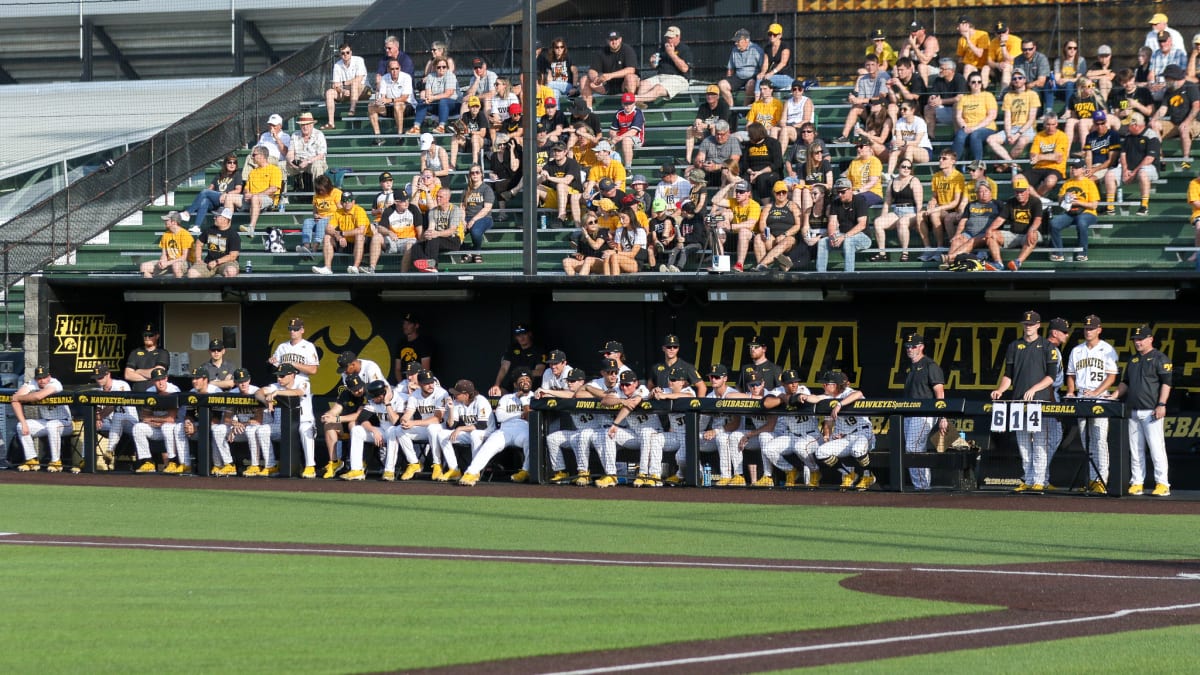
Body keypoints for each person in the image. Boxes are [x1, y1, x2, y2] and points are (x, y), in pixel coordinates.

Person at [990, 310, 1060, 493]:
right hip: (1018, 401)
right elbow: (1008, 375)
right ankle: (1028, 479)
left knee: (1039, 442)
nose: (1028, 327)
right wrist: (1000, 390)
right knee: (1022, 442)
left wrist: (1034, 389)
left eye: (1031, 324)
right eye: (1025, 324)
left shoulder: (1047, 347)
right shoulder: (1014, 346)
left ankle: (1039, 479)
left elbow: (1051, 377)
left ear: (1038, 325)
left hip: (1039, 402)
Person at [1111, 324, 1173, 496]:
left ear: (1150, 339)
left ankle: (1162, 484)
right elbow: (1126, 383)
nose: (1137, 342)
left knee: (1156, 448)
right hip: (1133, 410)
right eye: (1135, 340)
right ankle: (1137, 482)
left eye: (1141, 339)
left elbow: (1167, 383)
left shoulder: (1160, 358)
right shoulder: (1133, 360)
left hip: (1151, 411)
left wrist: (1161, 404)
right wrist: (1114, 395)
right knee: (1135, 449)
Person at [1064, 314, 1118, 494]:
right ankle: (1091, 480)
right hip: (1081, 396)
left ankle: (1101, 480)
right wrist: (1071, 391)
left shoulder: (1107, 349)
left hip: (1100, 397)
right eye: (1086, 328)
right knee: (1086, 441)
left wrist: (1096, 392)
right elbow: (1070, 374)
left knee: (1099, 440)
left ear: (1099, 330)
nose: (1088, 331)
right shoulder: (1077, 350)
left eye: (1092, 328)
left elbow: (1112, 376)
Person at [459, 367, 535, 486]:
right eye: (522, 379)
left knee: (531, 439)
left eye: (527, 379)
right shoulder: (506, 398)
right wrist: (521, 414)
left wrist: (524, 401)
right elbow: (500, 416)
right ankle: (471, 472)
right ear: (515, 384)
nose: (525, 381)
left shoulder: (536, 397)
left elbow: (530, 417)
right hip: (505, 430)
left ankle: (526, 471)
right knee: (490, 444)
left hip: (524, 429)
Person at [811, 370, 874, 490]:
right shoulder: (829, 398)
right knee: (821, 452)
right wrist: (827, 435)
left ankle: (868, 475)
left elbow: (859, 394)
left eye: (826, 384)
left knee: (858, 450)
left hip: (863, 433)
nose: (823, 386)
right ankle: (848, 474)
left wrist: (839, 405)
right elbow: (828, 422)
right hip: (845, 437)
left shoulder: (847, 393)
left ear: (835, 385)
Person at [257, 362, 318, 478]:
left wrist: (277, 393)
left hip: (303, 422)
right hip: (281, 425)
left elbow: (298, 392)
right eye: (278, 375)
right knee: (262, 430)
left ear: (292, 375)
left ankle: (310, 466)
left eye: (282, 376)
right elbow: (258, 392)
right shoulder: (276, 385)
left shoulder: (303, 382)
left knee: (305, 430)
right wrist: (266, 401)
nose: (279, 378)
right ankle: (271, 465)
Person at [389, 369, 449, 481]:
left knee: (432, 428)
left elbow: (437, 419)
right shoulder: (415, 395)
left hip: (441, 428)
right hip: (424, 428)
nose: (430, 385)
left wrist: (413, 423)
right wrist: (404, 421)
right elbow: (408, 413)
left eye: (431, 382)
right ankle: (414, 463)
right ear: (420, 384)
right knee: (399, 430)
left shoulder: (441, 393)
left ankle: (437, 465)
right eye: (427, 383)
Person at [10, 365, 72, 472]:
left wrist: (18, 397)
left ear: (49, 377)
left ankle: (56, 462)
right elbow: (14, 401)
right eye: (39, 378)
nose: (42, 381)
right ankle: (32, 460)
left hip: (65, 422)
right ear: (36, 378)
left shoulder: (55, 383)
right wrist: (23, 422)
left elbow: (38, 396)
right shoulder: (33, 383)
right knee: (20, 426)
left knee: (52, 425)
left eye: (44, 377)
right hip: (45, 422)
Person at [431, 379, 490, 482]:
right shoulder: (457, 403)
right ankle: (454, 470)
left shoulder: (481, 401)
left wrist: (460, 428)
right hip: (470, 432)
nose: (455, 395)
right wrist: (451, 410)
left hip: (487, 433)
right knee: (442, 435)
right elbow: (451, 426)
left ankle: (475, 471)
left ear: (466, 395)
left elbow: (482, 425)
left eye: (457, 393)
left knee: (475, 435)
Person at [131, 367, 188, 475]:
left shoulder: (173, 390)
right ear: (153, 381)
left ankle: (172, 462)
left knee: (167, 427)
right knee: (137, 428)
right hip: (157, 428)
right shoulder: (149, 392)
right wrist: (156, 421)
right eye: (157, 380)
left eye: (162, 379)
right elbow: (144, 417)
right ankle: (147, 462)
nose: (160, 382)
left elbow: (171, 418)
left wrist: (153, 419)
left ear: (166, 378)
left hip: (175, 429)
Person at [1105, 112, 1159, 217]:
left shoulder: (1151, 136)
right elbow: (1123, 154)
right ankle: (1110, 206)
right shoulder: (1128, 136)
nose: (1127, 127)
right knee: (1110, 174)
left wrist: (1134, 172)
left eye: (1128, 125)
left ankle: (1144, 206)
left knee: (1143, 172)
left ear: (1135, 125)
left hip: (1149, 169)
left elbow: (1149, 158)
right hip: (1129, 169)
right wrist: (1125, 169)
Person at [224, 369, 275, 477]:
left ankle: (261, 465)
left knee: (253, 430)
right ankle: (228, 464)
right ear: (236, 382)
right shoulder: (232, 394)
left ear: (249, 380)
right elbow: (226, 418)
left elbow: (258, 420)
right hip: (243, 426)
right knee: (219, 430)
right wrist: (234, 424)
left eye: (245, 380)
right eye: (240, 381)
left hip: (263, 425)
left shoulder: (256, 391)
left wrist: (240, 425)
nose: (243, 384)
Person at [987, 70, 1040, 171]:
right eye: (1014, 78)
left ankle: (1005, 164)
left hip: (1027, 129)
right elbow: (1007, 118)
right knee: (991, 139)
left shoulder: (1032, 94)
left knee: (1021, 141)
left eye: (1020, 78)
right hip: (1012, 128)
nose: (1017, 80)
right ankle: (1012, 164)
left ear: (1025, 80)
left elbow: (1031, 119)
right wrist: (1008, 134)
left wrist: (1018, 134)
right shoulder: (1008, 96)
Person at [1049, 159, 1101, 262]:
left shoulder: (1089, 183)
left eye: (1076, 167)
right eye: (1072, 167)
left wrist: (1078, 203)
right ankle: (1058, 253)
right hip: (1070, 212)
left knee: (1081, 222)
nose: (1073, 170)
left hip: (1087, 212)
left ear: (1083, 169)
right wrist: (1065, 197)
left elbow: (1094, 205)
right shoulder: (1067, 183)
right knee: (1054, 223)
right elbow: (1060, 202)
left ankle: (1083, 253)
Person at [988, 174, 1043, 271]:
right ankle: (998, 263)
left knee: (1033, 234)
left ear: (1027, 191)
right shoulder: (1011, 202)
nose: (1019, 194)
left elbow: (1038, 219)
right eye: (1017, 192)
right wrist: (990, 229)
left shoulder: (1036, 201)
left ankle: (1018, 262)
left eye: (1022, 191)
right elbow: (1000, 219)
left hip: (1028, 234)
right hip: (1013, 234)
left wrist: (1032, 229)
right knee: (991, 234)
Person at [87, 364, 137, 471]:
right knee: (90, 424)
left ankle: (109, 450)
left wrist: (99, 417)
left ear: (108, 374)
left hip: (130, 423)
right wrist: (95, 419)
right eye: (96, 378)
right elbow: (98, 409)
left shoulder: (121, 385)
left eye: (101, 377)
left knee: (118, 416)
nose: (99, 380)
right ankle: (86, 458)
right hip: (111, 426)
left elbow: (113, 405)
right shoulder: (99, 390)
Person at [942, 180, 1002, 268]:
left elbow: (1001, 220)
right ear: (977, 193)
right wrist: (957, 234)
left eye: (986, 191)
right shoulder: (971, 205)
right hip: (969, 233)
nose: (983, 193)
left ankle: (950, 258)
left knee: (972, 241)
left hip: (985, 234)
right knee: (956, 240)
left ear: (990, 192)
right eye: (980, 191)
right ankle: (949, 264)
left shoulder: (997, 204)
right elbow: (963, 221)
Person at [917, 150, 966, 258]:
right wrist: (932, 202)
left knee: (934, 214)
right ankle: (928, 248)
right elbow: (935, 196)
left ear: (953, 161)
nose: (940, 160)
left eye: (944, 159)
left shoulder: (958, 177)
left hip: (953, 209)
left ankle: (940, 247)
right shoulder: (936, 176)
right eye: (940, 158)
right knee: (919, 215)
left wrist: (935, 209)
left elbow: (955, 202)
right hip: (940, 208)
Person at [872, 158, 922, 262]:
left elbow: (919, 204)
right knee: (878, 222)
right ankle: (882, 253)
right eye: (904, 166)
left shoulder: (914, 181)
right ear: (898, 167)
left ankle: (905, 252)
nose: (906, 169)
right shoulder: (892, 181)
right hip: (896, 211)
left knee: (902, 222)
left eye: (909, 167)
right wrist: (883, 216)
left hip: (910, 212)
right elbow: (887, 202)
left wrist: (919, 220)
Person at [817, 177, 871, 272]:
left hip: (863, 236)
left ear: (850, 190)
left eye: (842, 192)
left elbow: (862, 225)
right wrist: (832, 236)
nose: (840, 194)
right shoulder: (835, 203)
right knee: (823, 242)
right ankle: (821, 276)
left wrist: (844, 237)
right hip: (843, 235)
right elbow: (832, 222)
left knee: (848, 241)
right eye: (838, 192)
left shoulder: (860, 201)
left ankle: (848, 276)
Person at [1151, 64, 1200, 169]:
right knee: (1154, 125)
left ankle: (1186, 160)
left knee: (1184, 128)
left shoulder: (1191, 87)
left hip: (1193, 122)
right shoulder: (1169, 91)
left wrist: (1187, 122)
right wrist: (1153, 119)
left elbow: (1196, 107)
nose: (1165, 80)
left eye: (1166, 78)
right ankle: (1160, 159)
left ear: (1173, 78)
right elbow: (1163, 109)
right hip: (1174, 123)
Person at [319, 374, 366, 479]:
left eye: (359, 388)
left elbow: (358, 416)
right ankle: (334, 462)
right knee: (329, 425)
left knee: (352, 423)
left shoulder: (367, 393)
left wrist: (336, 419)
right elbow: (335, 410)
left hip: (366, 426)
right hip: (346, 425)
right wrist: (328, 415)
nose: (358, 391)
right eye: (355, 390)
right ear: (349, 389)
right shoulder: (345, 393)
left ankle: (356, 463)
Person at [311, 192, 369, 275]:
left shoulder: (359, 211)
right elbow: (328, 228)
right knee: (327, 237)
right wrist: (338, 236)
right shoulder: (338, 212)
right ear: (341, 203)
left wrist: (342, 234)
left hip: (362, 244)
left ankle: (355, 267)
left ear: (353, 202)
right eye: (344, 201)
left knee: (359, 236)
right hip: (344, 244)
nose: (347, 203)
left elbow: (361, 230)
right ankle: (327, 268)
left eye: (349, 200)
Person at [408, 187, 464, 273]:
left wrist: (436, 234)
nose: (438, 198)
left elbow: (451, 230)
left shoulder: (455, 210)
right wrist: (428, 233)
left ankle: (433, 266)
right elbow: (431, 227)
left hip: (454, 239)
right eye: (437, 196)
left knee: (434, 238)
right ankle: (424, 267)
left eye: (440, 197)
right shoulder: (433, 211)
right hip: (438, 240)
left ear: (448, 198)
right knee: (416, 246)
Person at [710, 180, 761, 272]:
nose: (738, 194)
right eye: (737, 191)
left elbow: (750, 224)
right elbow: (714, 200)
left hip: (750, 238)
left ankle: (739, 264)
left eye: (741, 192)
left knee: (743, 231)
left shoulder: (754, 205)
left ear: (748, 193)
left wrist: (732, 226)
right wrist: (729, 185)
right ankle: (719, 265)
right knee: (717, 231)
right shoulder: (733, 202)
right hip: (735, 236)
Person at [580, 30, 639, 109]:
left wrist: (610, 75)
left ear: (620, 39)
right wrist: (595, 78)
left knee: (630, 77)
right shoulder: (601, 52)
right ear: (607, 41)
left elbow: (631, 70)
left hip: (624, 85)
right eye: (611, 40)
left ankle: (631, 109)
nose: (614, 42)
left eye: (616, 39)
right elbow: (592, 70)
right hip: (607, 86)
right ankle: (588, 112)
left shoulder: (627, 50)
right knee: (584, 79)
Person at [838, 55, 891, 143]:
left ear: (878, 65)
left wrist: (861, 100)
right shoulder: (863, 80)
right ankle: (844, 136)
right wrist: (854, 99)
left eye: (873, 64)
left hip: (882, 111)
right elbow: (861, 99)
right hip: (870, 111)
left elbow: (882, 97)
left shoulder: (884, 76)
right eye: (868, 65)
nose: (870, 67)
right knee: (855, 107)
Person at [635, 25, 693, 104]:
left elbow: (684, 69)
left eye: (671, 38)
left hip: (678, 78)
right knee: (643, 84)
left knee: (657, 88)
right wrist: (652, 62)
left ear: (678, 37)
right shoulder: (662, 48)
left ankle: (634, 99)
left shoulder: (684, 49)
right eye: (667, 37)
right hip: (660, 76)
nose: (668, 40)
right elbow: (656, 66)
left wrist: (672, 54)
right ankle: (639, 107)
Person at [181, 154, 243, 228]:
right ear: (225, 163)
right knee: (205, 200)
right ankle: (197, 226)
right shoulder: (220, 174)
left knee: (205, 192)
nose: (232, 164)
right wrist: (210, 194)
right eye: (230, 162)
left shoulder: (237, 175)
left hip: (227, 200)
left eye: (234, 162)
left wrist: (226, 194)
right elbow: (211, 188)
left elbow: (238, 190)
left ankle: (187, 213)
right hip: (216, 200)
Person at [754, 180, 802, 271]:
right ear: (774, 193)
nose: (781, 194)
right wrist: (765, 232)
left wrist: (784, 234)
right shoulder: (768, 206)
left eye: (783, 192)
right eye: (778, 192)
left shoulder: (792, 205)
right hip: (771, 238)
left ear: (787, 193)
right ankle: (775, 264)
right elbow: (762, 223)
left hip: (788, 239)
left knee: (788, 240)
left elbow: (798, 225)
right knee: (758, 238)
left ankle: (762, 264)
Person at [489, 323, 546, 396]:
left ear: (530, 334)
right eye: (518, 335)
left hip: (531, 386)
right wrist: (496, 385)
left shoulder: (538, 349)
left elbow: (540, 371)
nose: (521, 337)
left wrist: (521, 375)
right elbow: (504, 368)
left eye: (524, 334)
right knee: (495, 393)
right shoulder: (512, 348)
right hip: (514, 384)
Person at [951, 73, 998, 162]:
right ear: (969, 83)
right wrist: (964, 126)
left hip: (986, 128)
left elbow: (992, 115)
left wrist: (974, 128)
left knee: (975, 135)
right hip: (968, 127)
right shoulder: (964, 98)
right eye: (973, 82)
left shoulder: (988, 95)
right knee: (960, 135)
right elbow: (958, 116)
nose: (976, 84)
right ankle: (952, 163)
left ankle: (978, 164)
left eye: (979, 82)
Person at [685, 85, 737, 164]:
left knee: (715, 128)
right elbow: (698, 119)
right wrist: (697, 125)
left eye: (712, 94)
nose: (710, 96)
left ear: (717, 96)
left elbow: (722, 124)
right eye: (708, 94)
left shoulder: (723, 106)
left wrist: (707, 125)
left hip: (723, 134)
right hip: (708, 134)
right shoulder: (703, 106)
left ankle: (714, 158)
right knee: (689, 129)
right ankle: (687, 160)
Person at [368, 59, 413, 145]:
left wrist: (390, 100)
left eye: (396, 68)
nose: (394, 71)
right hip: (391, 107)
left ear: (400, 68)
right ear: (388, 70)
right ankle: (378, 137)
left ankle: (400, 136)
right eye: (392, 69)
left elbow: (405, 97)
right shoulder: (385, 78)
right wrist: (378, 102)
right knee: (371, 106)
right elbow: (383, 96)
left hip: (407, 107)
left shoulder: (406, 77)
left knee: (397, 104)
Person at [187, 207, 240, 278]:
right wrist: (198, 259)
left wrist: (217, 262)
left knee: (231, 271)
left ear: (225, 219)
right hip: (209, 263)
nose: (214, 218)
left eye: (217, 216)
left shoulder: (233, 235)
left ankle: (228, 289)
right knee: (192, 273)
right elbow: (199, 243)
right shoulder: (210, 230)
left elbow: (233, 256)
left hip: (227, 263)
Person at [324, 43, 367, 129]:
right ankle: (331, 122)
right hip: (346, 92)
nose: (345, 55)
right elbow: (335, 85)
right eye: (343, 53)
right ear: (340, 54)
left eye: (347, 52)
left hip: (362, 90)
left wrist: (342, 83)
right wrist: (342, 90)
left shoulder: (359, 60)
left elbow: (359, 79)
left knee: (354, 83)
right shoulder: (337, 65)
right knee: (329, 92)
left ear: (351, 52)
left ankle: (352, 109)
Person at [719, 28, 765, 108]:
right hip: (738, 77)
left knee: (751, 84)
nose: (736, 43)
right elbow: (730, 68)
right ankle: (731, 108)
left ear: (746, 41)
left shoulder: (757, 50)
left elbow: (763, 68)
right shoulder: (734, 50)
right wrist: (729, 79)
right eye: (735, 41)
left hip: (752, 76)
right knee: (722, 84)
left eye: (738, 41)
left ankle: (744, 108)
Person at [241, 145, 283, 234]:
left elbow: (273, 188)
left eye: (254, 155)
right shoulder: (253, 172)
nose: (252, 157)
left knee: (255, 198)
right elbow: (246, 188)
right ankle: (225, 228)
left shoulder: (274, 170)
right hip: (251, 198)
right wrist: (246, 193)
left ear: (262, 156)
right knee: (230, 197)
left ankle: (251, 228)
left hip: (268, 199)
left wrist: (254, 195)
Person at [409, 58, 457, 134]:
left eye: (444, 67)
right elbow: (428, 93)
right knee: (422, 101)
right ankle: (416, 127)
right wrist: (428, 99)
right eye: (439, 67)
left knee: (443, 101)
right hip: (436, 104)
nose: (441, 69)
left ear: (447, 67)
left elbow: (448, 93)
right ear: (435, 67)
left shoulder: (450, 76)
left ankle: (441, 127)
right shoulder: (430, 76)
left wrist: (433, 97)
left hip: (452, 104)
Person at [1027, 112, 1069, 197]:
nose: (1051, 127)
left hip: (1056, 168)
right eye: (1048, 124)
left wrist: (1039, 157)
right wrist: (1050, 157)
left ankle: (1035, 199)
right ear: (1044, 124)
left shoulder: (1062, 136)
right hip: (1039, 168)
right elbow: (1032, 154)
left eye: (1053, 124)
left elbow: (1057, 156)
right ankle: (1039, 199)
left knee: (1050, 181)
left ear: (1057, 124)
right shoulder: (1039, 136)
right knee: (1017, 179)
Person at [141, 211, 193, 278]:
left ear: (174, 222)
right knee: (144, 266)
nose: (164, 221)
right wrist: (162, 261)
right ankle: (153, 288)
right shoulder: (166, 235)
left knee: (176, 266)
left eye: (167, 220)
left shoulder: (185, 234)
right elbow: (164, 254)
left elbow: (184, 257)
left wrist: (168, 263)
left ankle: (180, 287)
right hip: (169, 262)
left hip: (184, 263)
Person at [924, 58, 968, 138]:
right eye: (940, 68)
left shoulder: (959, 78)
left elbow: (959, 98)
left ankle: (957, 137)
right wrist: (932, 100)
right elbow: (933, 95)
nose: (940, 70)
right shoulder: (938, 80)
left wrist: (941, 101)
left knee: (957, 105)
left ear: (951, 70)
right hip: (945, 111)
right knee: (928, 108)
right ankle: (930, 138)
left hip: (960, 113)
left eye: (942, 69)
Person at [286, 112, 328, 195]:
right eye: (302, 125)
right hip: (298, 163)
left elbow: (321, 155)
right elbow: (290, 152)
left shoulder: (319, 135)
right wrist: (291, 161)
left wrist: (308, 161)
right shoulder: (295, 135)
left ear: (312, 125)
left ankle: (318, 197)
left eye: (307, 124)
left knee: (317, 166)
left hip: (313, 162)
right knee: (280, 166)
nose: (305, 127)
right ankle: (280, 199)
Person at [887, 100, 932, 177]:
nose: (902, 111)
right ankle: (888, 175)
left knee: (910, 148)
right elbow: (899, 140)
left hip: (923, 151)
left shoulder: (920, 122)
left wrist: (903, 143)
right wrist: (895, 144)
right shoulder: (900, 122)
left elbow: (917, 142)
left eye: (905, 109)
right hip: (907, 149)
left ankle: (906, 175)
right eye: (901, 109)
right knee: (895, 152)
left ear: (912, 110)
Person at [460, 164, 494, 260]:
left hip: (484, 218)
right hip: (467, 217)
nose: (474, 174)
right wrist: (463, 220)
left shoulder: (487, 189)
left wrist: (473, 220)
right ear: (469, 175)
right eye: (472, 173)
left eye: (477, 172)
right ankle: (466, 250)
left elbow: (487, 208)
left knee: (475, 231)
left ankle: (477, 251)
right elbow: (462, 207)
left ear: (481, 174)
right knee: (455, 232)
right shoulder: (466, 190)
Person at [742, 121, 783, 200]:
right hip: (752, 171)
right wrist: (751, 172)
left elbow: (778, 163)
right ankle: (749, 205)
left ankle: (766, 206)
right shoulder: (748, 145)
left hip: (769, 172)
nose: (749, 136)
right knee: (743, 180)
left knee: (762, 179)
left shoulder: (773, 143)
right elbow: (744, 163)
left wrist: (760, 172)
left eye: (750, 135)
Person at [694, 120, 741, 188]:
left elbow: (734, 162)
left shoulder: (734, 141)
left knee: (726, 172)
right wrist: (701, 163)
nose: (719, 137)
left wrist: (717, 166)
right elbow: (699, 157)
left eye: (722, 134)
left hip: (724, 170)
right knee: (689, 170)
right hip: (708, 171)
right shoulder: (707, 140)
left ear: (728, 133)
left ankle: (722, 196)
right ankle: (693, 196)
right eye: (717, 134)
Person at [1108, 68, 1157, 132]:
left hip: (1140, 125)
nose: (1128, 84)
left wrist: (1137, 105)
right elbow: (1116, 116)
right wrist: (1121, 114)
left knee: (1136, 117)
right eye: (1124, 82)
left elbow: (1151, 113)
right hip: (1124, 126)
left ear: (1133, 78)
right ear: (1120, 83)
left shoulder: (1144, 92)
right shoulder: (1118, 95)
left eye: (1130, 80)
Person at [1064, 78, 1103, 152]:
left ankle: (1085, 152)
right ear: (1081, 88)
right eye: (1089, 86)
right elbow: (1073, 115)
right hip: (1080, 122)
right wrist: (1076, 131)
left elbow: (1104, 113)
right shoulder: (1074, 97)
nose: (1092, 88)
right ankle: (1065, 153)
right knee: (1070, 121)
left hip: (1094, 122)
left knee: (1083, 122)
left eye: (1093, 85)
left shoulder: (1096, 96)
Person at [777, 81, 815, 158]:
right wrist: (784, 124)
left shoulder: (807, 101)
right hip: (789, 126)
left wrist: (793, 125)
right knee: (773, 130)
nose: (797, 91)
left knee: (785, 129)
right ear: (792, 91)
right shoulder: (788, 102)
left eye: (799, 89)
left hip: (802, 129)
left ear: (802, 90)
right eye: (794, 89)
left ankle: (778, 158)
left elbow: (806, 120)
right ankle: (771, 156)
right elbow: (782, 120)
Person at [1013, 40, 1053, 112]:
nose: (1027, 51)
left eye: (1030, 49)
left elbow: (1041, 82)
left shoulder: (1042, 58)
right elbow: (1017, 77)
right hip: (1023, 87)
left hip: (1038, 87)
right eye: (1024, 49)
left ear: (1034, 48)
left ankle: (1047, 111)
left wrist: (1026, 86)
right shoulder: (1017, 60)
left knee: (1047, 84)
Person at [604, 208, 647, 276]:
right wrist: (613, 248)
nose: (621, 221)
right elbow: (619, 249)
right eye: (620, 218)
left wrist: (616, 252)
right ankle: (607, 282)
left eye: (623, 218)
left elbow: (632, 254)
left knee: (615, 257)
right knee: (607, 255)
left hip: (635, 262)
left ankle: (614, 282)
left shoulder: (640, 232)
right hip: (623, 258)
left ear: (630, 217)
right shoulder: (619, 230)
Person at [609, 92, 646, 169]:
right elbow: (612, 131)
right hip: (620, 138)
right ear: (622, 104)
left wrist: (618, 138)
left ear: (634, 103)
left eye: (630, 103)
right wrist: (614, 137)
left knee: (626, 140)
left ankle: (628, 169)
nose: (627, 106)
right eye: (625, 104)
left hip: (636, 139)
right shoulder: (619, 113)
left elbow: (633, 131)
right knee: (604, 143)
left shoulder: (638, 112)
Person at [1149, 31, 1187, 101]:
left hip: (1173, 84)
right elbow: (1151, 73)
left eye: (1164, 41)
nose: (1162, 44)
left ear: (1170, 40)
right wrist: (1152, 84)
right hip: (1158, 85)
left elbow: (1183, 74)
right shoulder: (1155, 54)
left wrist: (1166, 84)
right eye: (1160, 42)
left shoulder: (1179, 53)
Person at [899, 20, 940, 85]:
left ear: (923, 31)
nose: (912, 33)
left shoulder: (930, 40)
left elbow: (925, 61)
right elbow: (901, 61)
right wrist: (907, 50)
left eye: (915, 31)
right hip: (915, 69)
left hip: (932, 69)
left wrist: (914, 46)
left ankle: (924, 92)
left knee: (921, 66)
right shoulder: (908, 41)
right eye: (911, 30)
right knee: (898, 68)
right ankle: (899, 92)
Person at [846, 139, 884, 207]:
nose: (858, 149)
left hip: (873, 192)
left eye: (861, 146)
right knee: (838, 200)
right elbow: (848, 181)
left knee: (857, 200)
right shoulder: (854, 162)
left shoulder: (875, 161)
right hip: (856, 192)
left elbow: (872, 182)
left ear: (868, 147)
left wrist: (857, 191)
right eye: (857, 147)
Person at [1050, 40, 1086, 109]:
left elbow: (1079, 79)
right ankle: (1048, 110)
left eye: (1075, 48)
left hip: (1075, 87)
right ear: (1065, 48)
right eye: (1070, 48)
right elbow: (1057, 78)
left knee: (1069, 84)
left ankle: (1068, 109)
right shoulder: (1058, 60)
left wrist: (1066, 80)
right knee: (1049, 84)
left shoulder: (1081, 60)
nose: (1072, 50)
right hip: (1061, 86)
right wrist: (1059, 81)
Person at [984, 21, 1020, 90]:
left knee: (1006, 67)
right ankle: (982, 94)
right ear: (995, 34)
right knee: (985, 68)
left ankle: (1003, 95)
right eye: (999, 33)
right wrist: (997, 65)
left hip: (1014, 68)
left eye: (1003, 32)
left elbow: (1009, 60)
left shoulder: (1015, 41)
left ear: (1008, 31)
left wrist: (1003, 45)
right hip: (999, 67)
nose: (1001, 35)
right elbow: (989, 61)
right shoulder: (993, 42)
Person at [954, 16, 989, 82]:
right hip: (967, 66)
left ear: (966, 25)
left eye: (959, 25)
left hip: (980, 66)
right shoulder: (961, 40)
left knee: (968, 67)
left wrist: (968, 40)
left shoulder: (982, 35)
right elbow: (960, 58)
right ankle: (964, 91)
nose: (957, 28)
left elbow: (980, 54)